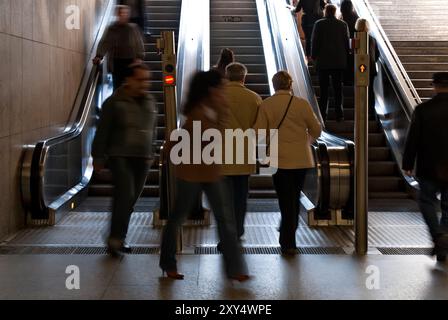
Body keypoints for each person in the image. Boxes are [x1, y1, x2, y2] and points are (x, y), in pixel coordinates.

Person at [159, 70, 249, 281]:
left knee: (226, 220)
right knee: (177, 219)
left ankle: (235, 269)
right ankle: (168, 262)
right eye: (221, 87)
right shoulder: (196, 112)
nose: (224, 91)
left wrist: (222, 106)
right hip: (190, 174)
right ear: (212, 89)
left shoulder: (214, 108)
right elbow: (204, 138)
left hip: (211, 172)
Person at [92, 63, 157, 257]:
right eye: (140, 79)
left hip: (142, 156)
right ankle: (115, 239)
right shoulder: (114, 102)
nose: (144, 83)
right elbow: (102, 131)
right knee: (125, 194)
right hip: (120, 155)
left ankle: (119, 236)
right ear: (128, 80)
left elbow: (152, 130)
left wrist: (151, 151)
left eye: (146, 79)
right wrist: (98, 156)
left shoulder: (150, 101)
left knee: (130, 200)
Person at [254, 71, 322, 255]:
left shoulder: (266, 105)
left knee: (285, 199)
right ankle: (289, 231)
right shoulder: (302, 104)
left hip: (278, 158)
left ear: (274, 84)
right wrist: (305, 141)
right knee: (294, 196)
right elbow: (316, 129)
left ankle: (287, 240)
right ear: (290, 84)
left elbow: (259, 132)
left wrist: (263, 155)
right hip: (301, 158)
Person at [402, 72, 448, 262]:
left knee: (427, 201)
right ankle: (444, 239)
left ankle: (438, 237)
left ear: (434, 86)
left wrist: (407, 163)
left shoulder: (423, 109)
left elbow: (413, 138)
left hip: (429, 166)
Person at [218, 62, 262, 251]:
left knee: (224, 199)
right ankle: (238, 231)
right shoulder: (254, 98)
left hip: (222, 155)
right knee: (241, 196)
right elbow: (259, 129)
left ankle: (226, 235)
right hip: (245, 154)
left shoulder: (217, 97)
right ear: (244, 77)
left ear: (226, 76)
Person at [311, 4, 350, 122]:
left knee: (324, 90)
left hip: (323, 63)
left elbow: (315, 42)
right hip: (338, 63)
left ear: (325, 12)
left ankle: (323, 114)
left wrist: (313, 56)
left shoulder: (319, 24)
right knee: (338, 89)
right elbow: (346, 43)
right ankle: (339, 114)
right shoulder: (343, 25)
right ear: (335, 12)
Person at [93, 5, 145, 91]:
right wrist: (99, 55)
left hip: (131, 61)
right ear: (117, 15)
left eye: (125, 13)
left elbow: (138, 43)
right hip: (116, 61)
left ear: (128, 15)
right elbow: (105, 43)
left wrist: (139, 57)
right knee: (117, 86)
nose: (123, 15)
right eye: (121, 13)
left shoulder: (133, 28)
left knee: (131, 85)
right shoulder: (112, 29)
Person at [355, 18, 380, 112]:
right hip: (371, 69)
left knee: (359, 90)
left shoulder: (356, 39)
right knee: (370, 91)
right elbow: (377, 55)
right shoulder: (373, 39)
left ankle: (361, 110)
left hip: (359, 69)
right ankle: (371, 111)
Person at [339, 0, 359, 85]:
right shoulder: (356, 18)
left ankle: (345, 79)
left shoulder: (341, 19)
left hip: (343, 45)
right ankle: (352, 79)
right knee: (352, 61)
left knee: (344, 61)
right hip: (354, 44)